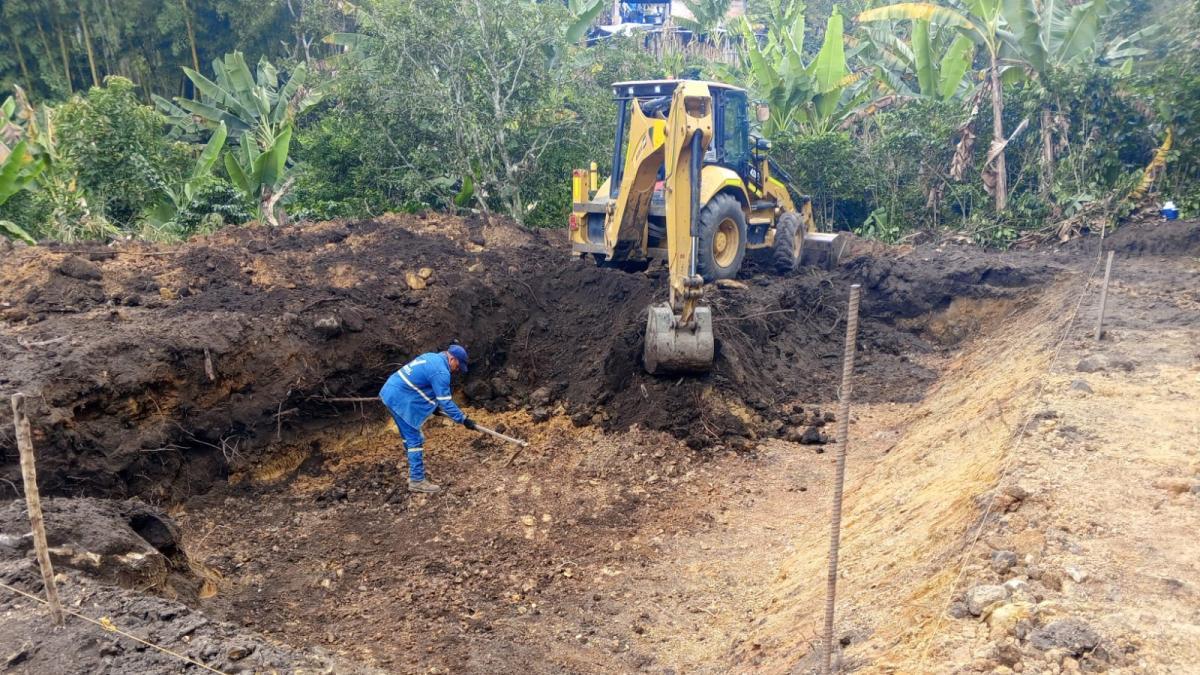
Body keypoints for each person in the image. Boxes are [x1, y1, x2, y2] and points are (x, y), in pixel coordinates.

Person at [379, 344, 476, 493]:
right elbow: (445, 401)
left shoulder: (432, 357)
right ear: (452, 358)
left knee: (409, 437)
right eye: (458, 365)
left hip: (390, 392)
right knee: (415, 439)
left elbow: (422, 386)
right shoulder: (441, 372)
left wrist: (434, 408)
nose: (457, 369)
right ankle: (417, 480)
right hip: (400, 400)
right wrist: (463, 419)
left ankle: (414, 468)